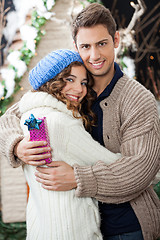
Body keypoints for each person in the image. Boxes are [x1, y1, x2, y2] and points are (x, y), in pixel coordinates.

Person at [0, 3, 159, 240]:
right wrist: (17, 145)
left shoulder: (137, 99)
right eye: (85, 46)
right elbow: (12, 115)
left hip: (126, 227)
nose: (94, 55)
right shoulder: (71, 88)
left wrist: (77, 177)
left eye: (101, 44)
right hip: (79, 225)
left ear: (116, 40)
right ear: (76, 47)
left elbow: (141, 170)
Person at [18, 49, 121, 240]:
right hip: (71, 229)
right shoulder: (61, 122)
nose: (80, 89)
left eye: (83, 83)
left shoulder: (29, 118)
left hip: (41, 228)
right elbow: (115, 166)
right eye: (70, 80)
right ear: (51, 82)